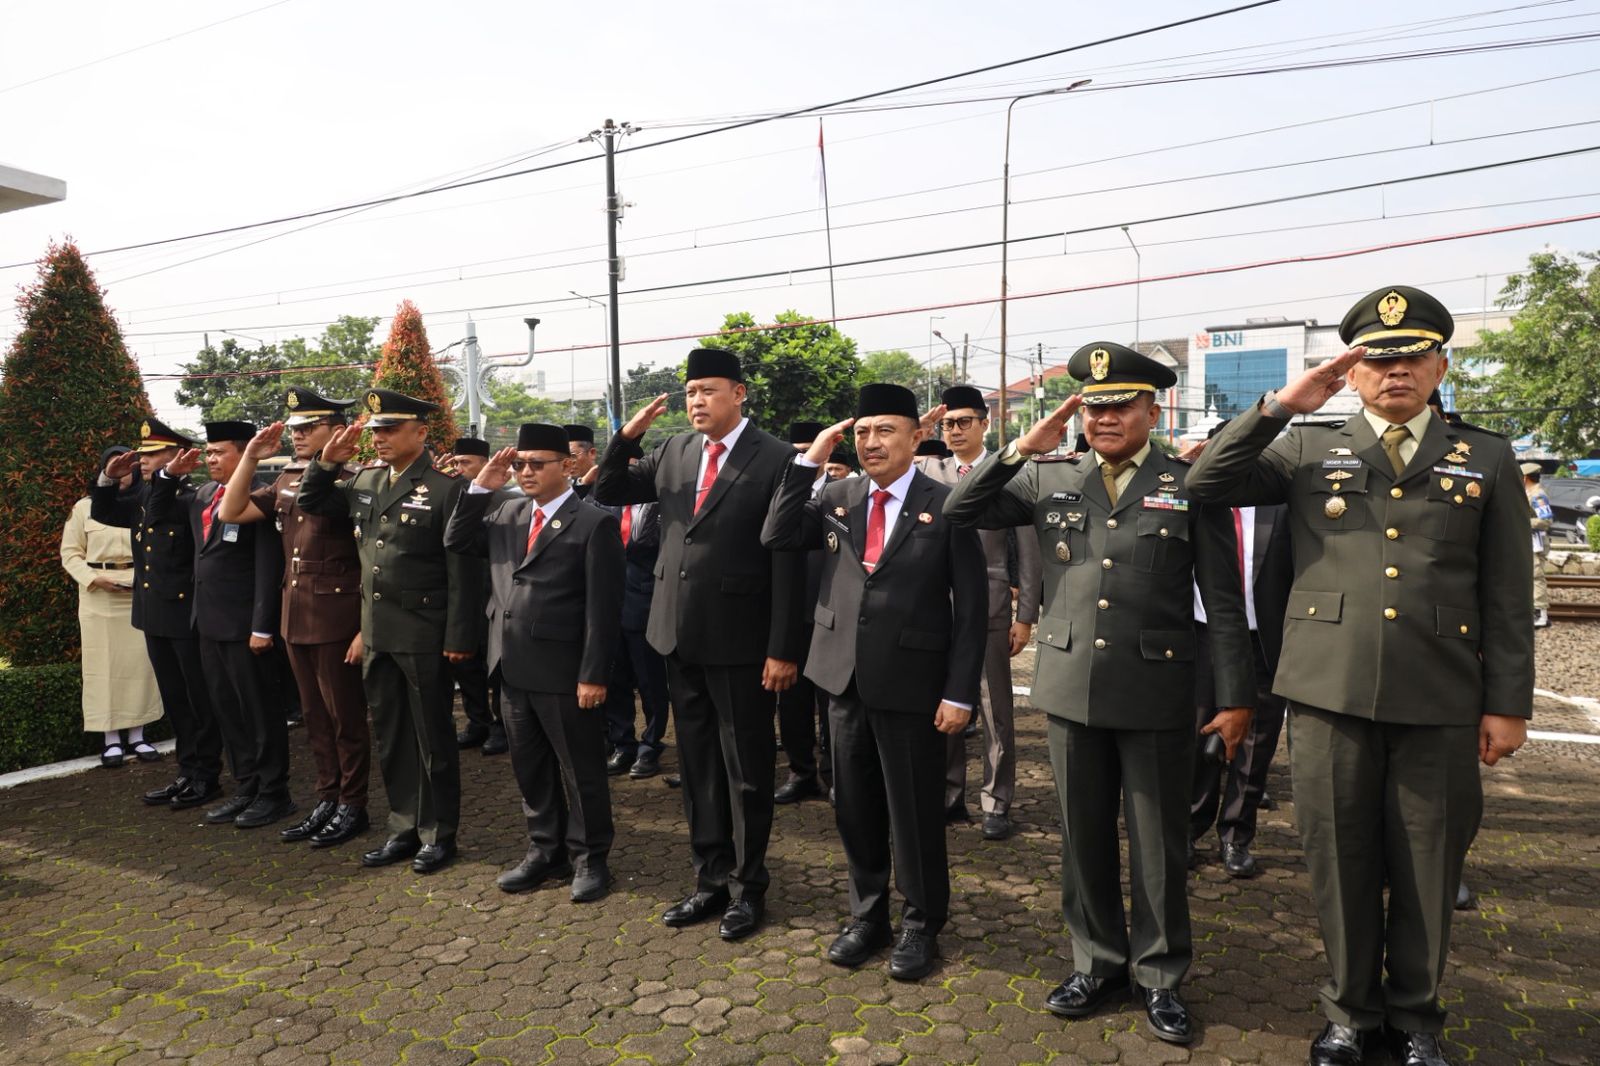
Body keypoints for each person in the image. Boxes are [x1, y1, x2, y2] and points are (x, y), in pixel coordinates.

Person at [1186, 285, 1533, 1066]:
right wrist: (1281, 404)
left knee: (1427, 864)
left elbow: (1509, 591)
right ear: (1353, 371)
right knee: (1339, 862)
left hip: (1441, 696)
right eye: (1377, 359)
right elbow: (1204, 483)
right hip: (1327, 693)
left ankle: (1415, 1021)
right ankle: (1349, 1013)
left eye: (1413, 356)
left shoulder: (1486, 455)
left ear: (1441, 364)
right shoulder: (1306, 448)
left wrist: (1508, 703)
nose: (1395, 371)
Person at [944, 342, 1254, 1046]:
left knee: (1158, 846)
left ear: (1152, 409)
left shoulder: (1190, 481)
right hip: (1071, 685)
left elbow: (1225, 602)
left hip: (1156, 689)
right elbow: (962, 509)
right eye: (1094, 404)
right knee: (1082, 840)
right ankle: (1095, 962)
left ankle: (1160, 975)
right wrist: (1021, 446)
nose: (1105, 417)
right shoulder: (1048, 478)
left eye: (1120, 405)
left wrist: (1235, 698)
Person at [763, 383, 986, 980]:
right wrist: (810, 460)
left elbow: (970, 607)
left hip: (913, 680)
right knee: (854, 806)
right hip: (841, 678)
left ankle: (920, 921)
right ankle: (869, 915)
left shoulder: (949, 504)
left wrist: (960, 691)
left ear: (917, 437)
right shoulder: (837, 496)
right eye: (862, 432)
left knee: (914, 810)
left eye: (885, 430)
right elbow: (779, 535)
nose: (871, 442)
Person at [593, 346, 808, 942]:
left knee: (745, 769)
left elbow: (789, 559)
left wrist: (784, 646)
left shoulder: (776, 458)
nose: (696, 402)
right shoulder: (673, 451)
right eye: (690, 393)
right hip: (676, 631)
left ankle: (748, 887)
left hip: (742, 639)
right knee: (697, 768)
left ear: (739, 394)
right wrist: (626, 438)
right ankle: (708, 880)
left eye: (708, 390)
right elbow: (610, 490)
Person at [298, 388, 484, 874]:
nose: (378, 438)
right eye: (376, 430)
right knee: (393, 737)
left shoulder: (447, 490)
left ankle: (439, 834)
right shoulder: (367, 481)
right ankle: (403, 827)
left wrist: (460, 638)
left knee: (432, 740)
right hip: (378, 632)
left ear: (421, 433)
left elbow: (462, 572)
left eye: (389, 429)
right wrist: (324, 462)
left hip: (425, 633)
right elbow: (313, 501)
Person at [446, 423, 624, 902]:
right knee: (530, 768)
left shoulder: (593, 523)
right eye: (520, 464)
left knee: (580, 771)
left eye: (536, 463)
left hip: (565, 672)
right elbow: (457, 539)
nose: (525, 471)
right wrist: (482, 484)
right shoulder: (506, 512)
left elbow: (602, 609)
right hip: (511, 665)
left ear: (566, 466)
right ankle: (545, 851)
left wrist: (592, 674)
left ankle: (591, 858)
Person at [214, 388, 372, 849]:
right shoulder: (287, 477)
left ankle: (353, 803)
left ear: (335, 430)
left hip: (338, 614)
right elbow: (231, 510)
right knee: (314, 717)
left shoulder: (355, 479)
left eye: (309, 428)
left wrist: (365, 626)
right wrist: (252, 459)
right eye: (296, 429)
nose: (299, 435)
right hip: (296, 613)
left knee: (346, 717)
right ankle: (327, 797)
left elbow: (369, 559)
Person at [147, 422, 293, 830]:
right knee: (228, 712)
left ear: (244, 453)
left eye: (218, 452)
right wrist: (168, 476)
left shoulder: (260, 497)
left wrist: (262, 626)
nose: (210, 459)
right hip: (208, 624)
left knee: (260, 713)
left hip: (246, 626)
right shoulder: (203, 496)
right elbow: (156, 514)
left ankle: (274, 793)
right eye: (207, 452)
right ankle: (246, 786)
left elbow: (268, 566)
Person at [921, 385, 1040, 841]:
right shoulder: (928, 468)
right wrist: (922, 427)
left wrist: (1025, 615)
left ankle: (997, 801)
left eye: (964, 422)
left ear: (985, 422)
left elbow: (1029, 552)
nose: (954, 431)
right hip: (936, 606)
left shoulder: (1006, 472)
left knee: (996, 710)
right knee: (945, 705)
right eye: (948, 423)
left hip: (991, 606)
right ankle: (950, 796)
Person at [93, 420, 224, 810]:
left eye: (152, 454)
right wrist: (106, 478)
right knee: (176, 700)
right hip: (153, 613)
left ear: (177, 456)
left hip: (184, 613)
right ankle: (187, 771)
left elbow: (158, 513)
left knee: (197, 699)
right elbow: (105, 513)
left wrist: (165, 478)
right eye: (143, 454)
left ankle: (207, 775)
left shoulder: (191, 496)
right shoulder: (145, 495)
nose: (143, 461)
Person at [1188, 495, 1293, 878]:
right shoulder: (1197, 502)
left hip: (1263, 640)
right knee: (1198, 738)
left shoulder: (1280, 506)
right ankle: (1189, 828)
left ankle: (1236, 835)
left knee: (1257, 743)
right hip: (1202, 635)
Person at [63, 446, 164, 768]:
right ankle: (110, 740)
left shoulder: (146, 505)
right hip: (98, 596)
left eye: (128, 466)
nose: (122, 471)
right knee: (103, 667)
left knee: (141, 666)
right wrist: (93, 579)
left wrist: (141, 579)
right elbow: (70, 553)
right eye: (114, 467)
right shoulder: (84, 508)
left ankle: (138, 735)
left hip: (139, 592)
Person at [773, 420, 833, 806]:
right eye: (796, 451)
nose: (804, 456)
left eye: (811, 449)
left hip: (831, 613)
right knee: (791, 703)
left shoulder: (841, 493)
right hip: (789, 614)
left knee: (832, 705)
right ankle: (801, 772)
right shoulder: (781, 495)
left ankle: (834, 775)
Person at [599, 483, 673, 780]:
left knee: (651, 684)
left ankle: (651, 746)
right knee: (615, 681)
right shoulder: (605, 504)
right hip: (609, 607)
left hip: (646, 608)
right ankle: (623, 743)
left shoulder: (663, 507)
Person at [446, 436, 509, 755]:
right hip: (463, 597)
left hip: (494, 595)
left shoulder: (506, 501)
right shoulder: (456, 497)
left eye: (465, 463)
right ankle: (477, 720)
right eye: (455, 463)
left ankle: (500, 725)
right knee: (465, 664)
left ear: (485, 464)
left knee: (494, 664)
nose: (458, 469)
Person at [1523, 462, 1553, 629]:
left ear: (1525, 477)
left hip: (1537, 541)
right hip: (1531, 540)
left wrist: (1522, 522)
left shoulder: (1538, 494)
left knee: (1536, 576)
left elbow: (1545, 520)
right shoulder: (1531, 492)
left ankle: (1540, 614)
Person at [566, 423, 598, 498]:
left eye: (573, 456)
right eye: (563, 458)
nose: (568, 463)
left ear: (592, 453)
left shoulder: (607, 484)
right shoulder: (560, 489)